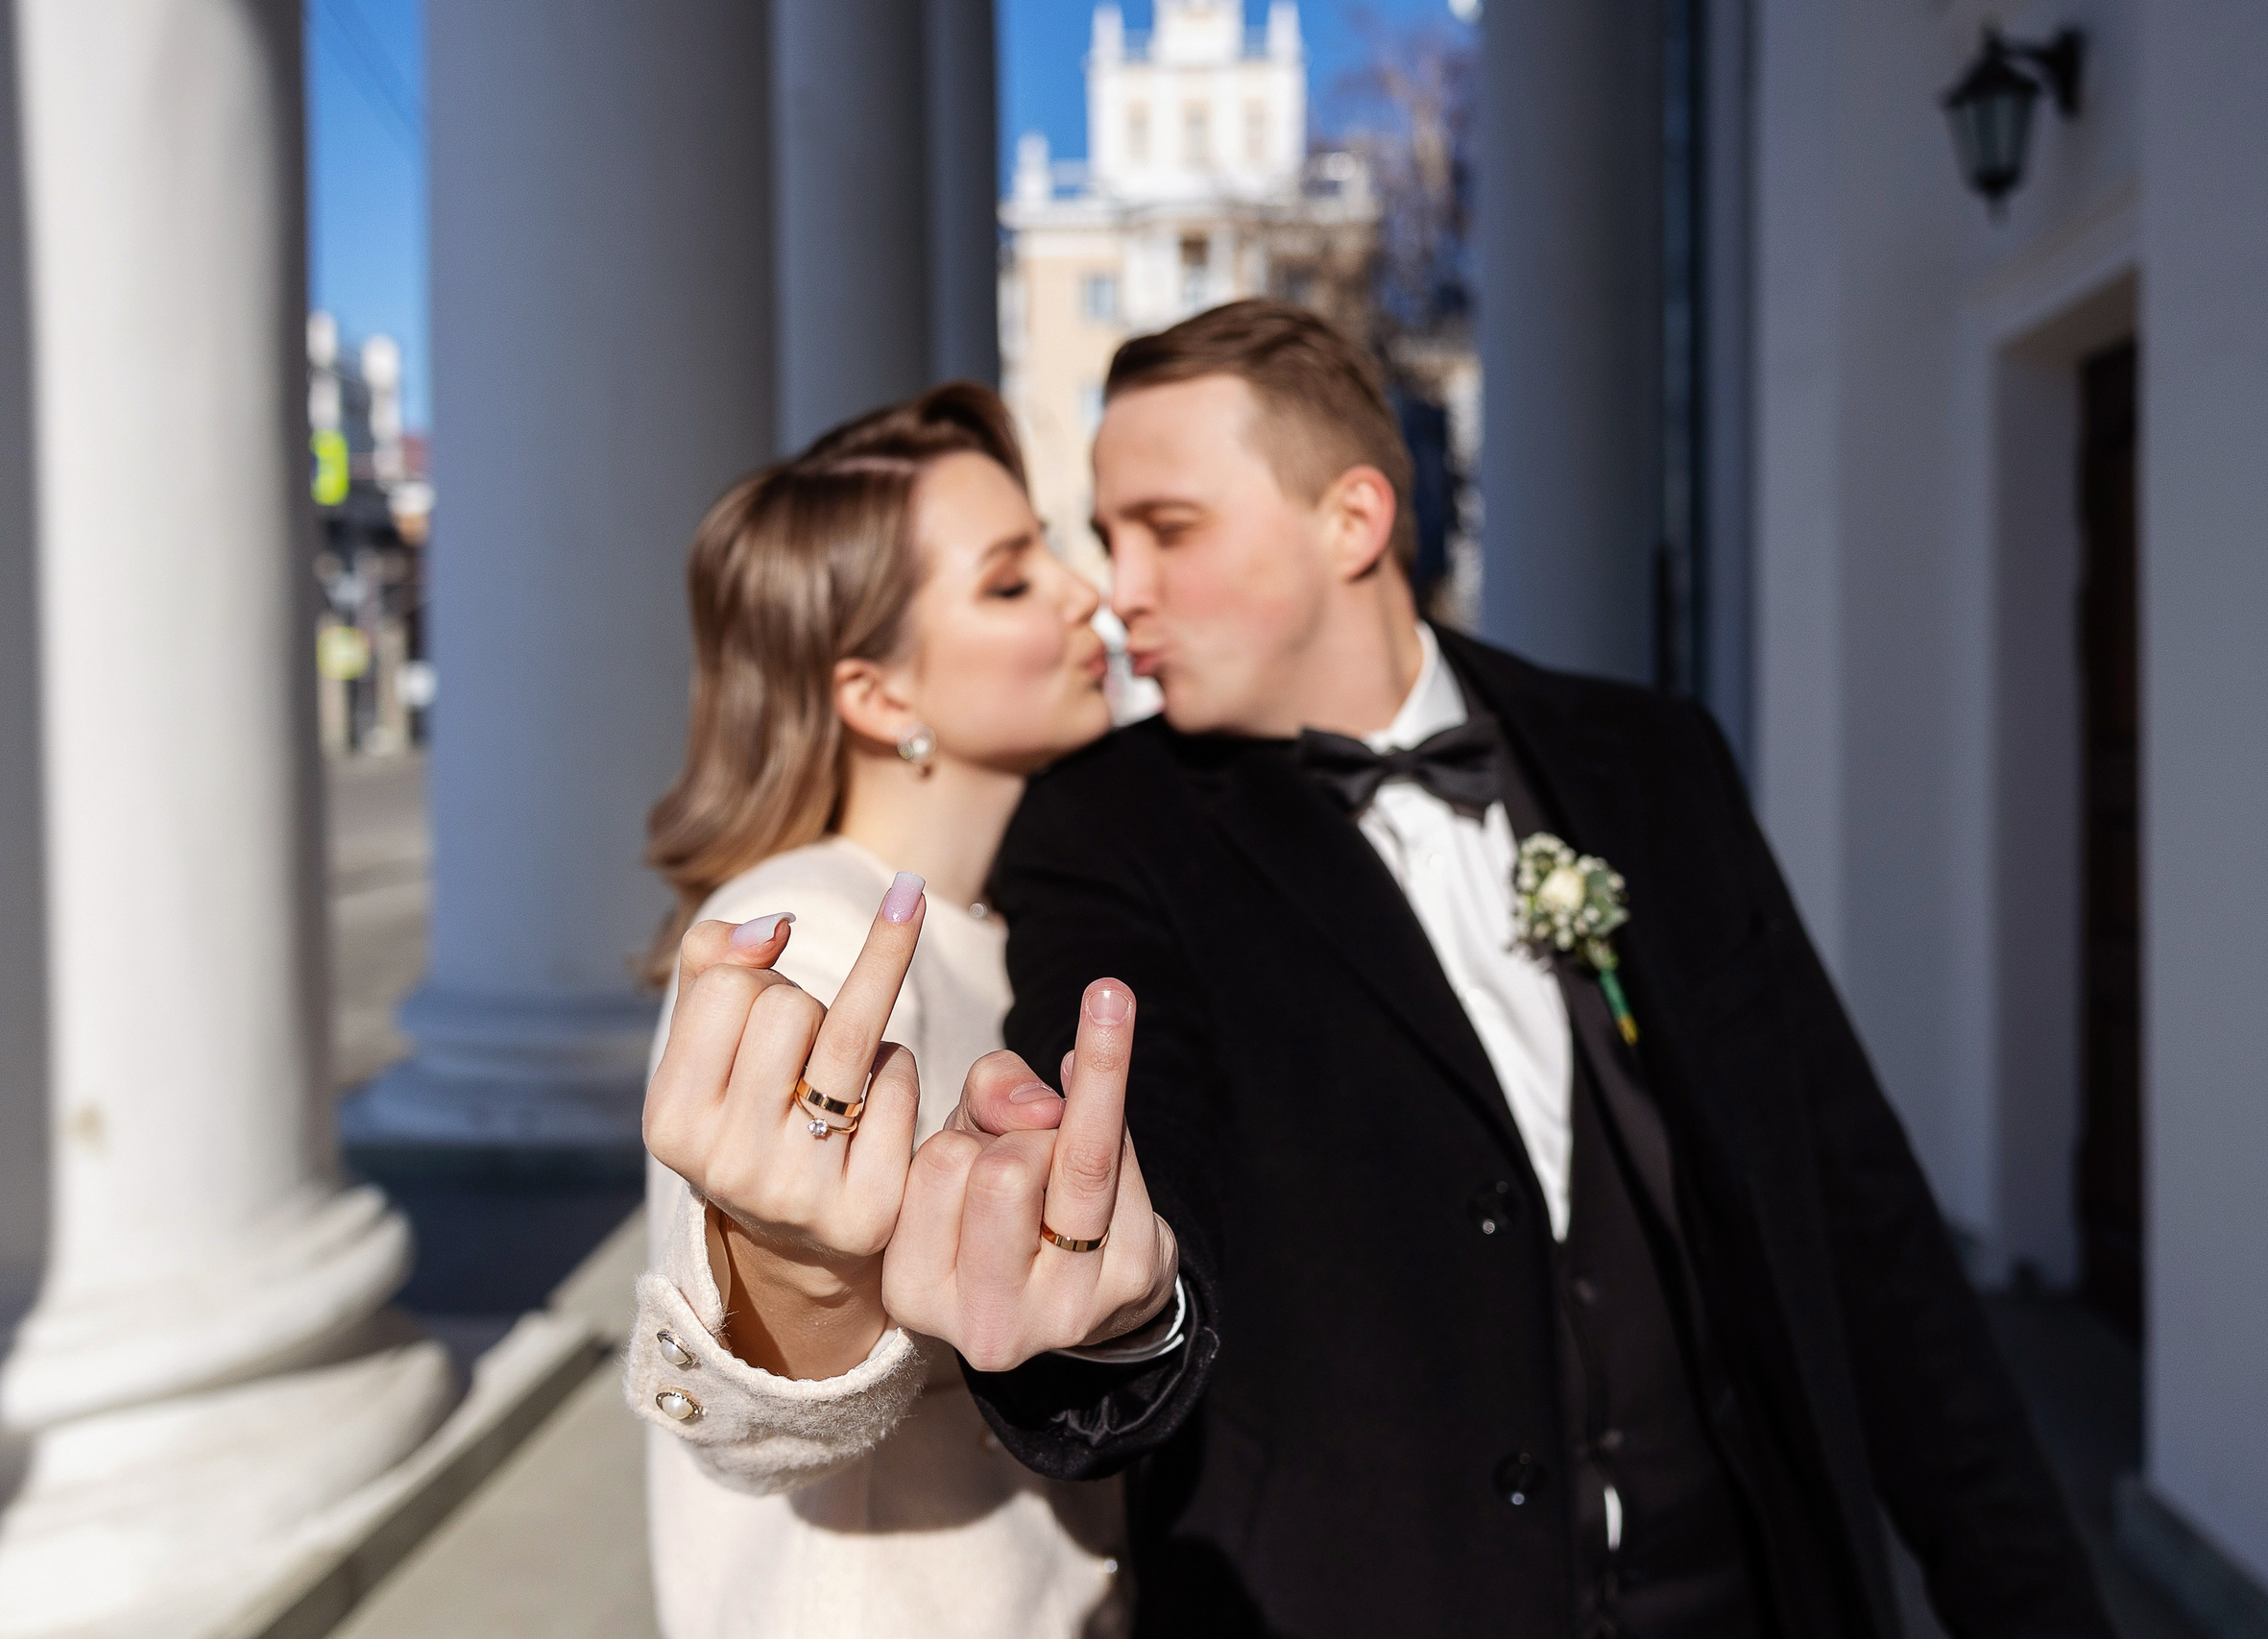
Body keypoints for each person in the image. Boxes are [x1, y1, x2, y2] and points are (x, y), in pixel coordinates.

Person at [943, 301, 2117, 1638]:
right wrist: (1108, 1300)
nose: (1119, 588)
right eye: (1109, 538)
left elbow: (1858, 1219)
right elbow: (1142, 1139)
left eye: (1168, 528)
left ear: (1353, 520)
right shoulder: (1100, 830)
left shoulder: (1652, 762)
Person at [622, 384, 1179, 1638]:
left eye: (1050, 551)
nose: (1083, 594)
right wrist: (793, 1281)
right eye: (1010, 581)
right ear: (878, 697)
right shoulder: (816, 941)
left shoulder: (989, 925)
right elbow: (746, 1402)